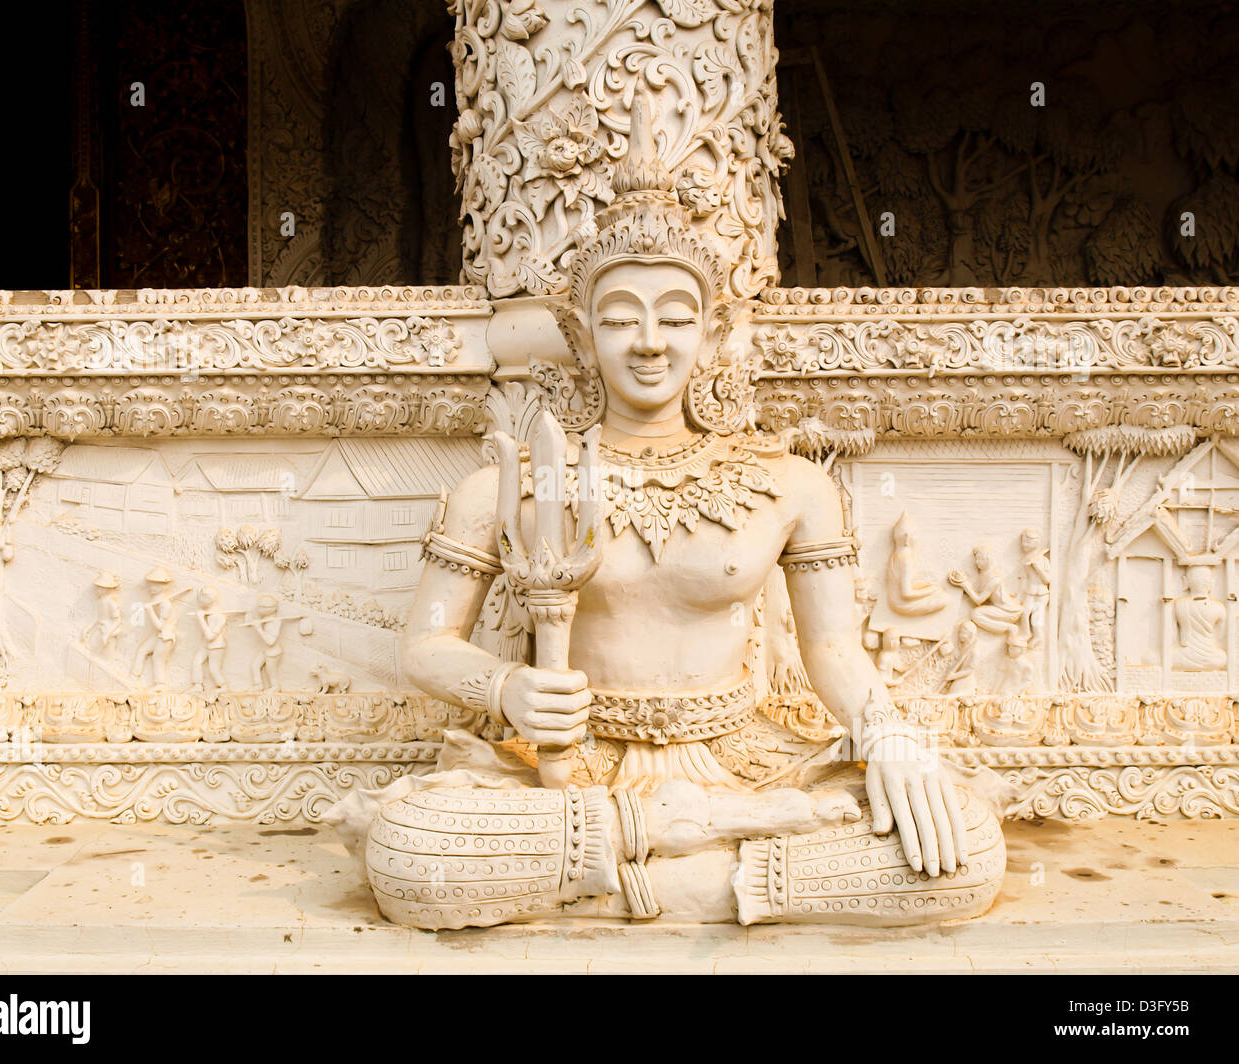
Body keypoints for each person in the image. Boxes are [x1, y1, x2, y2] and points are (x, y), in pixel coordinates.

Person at [328, 95, 1004, 930]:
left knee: (966, 846)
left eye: (675, 318)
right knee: (410, 848)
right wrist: (505, 688)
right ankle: (715, 871)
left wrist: (888, 731)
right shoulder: (510, 486)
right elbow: (424, 647)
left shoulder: (790, 483)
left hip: (741, 762)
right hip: (570, 768)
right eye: (620, 319)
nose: (649, 341)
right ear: (582, 338)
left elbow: (832, 648)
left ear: (712, 335)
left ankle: (630, 880)